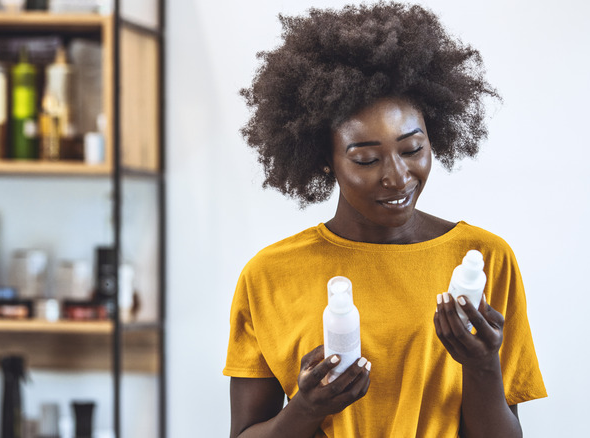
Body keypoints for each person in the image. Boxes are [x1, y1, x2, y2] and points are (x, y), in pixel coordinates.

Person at [223, 3, 547, 437]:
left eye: (412, 150)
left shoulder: (484, 259)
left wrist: (483, 365)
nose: (397, 176)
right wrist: (306, 409)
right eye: (367, 158)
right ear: (324, 160)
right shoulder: (268, 275)